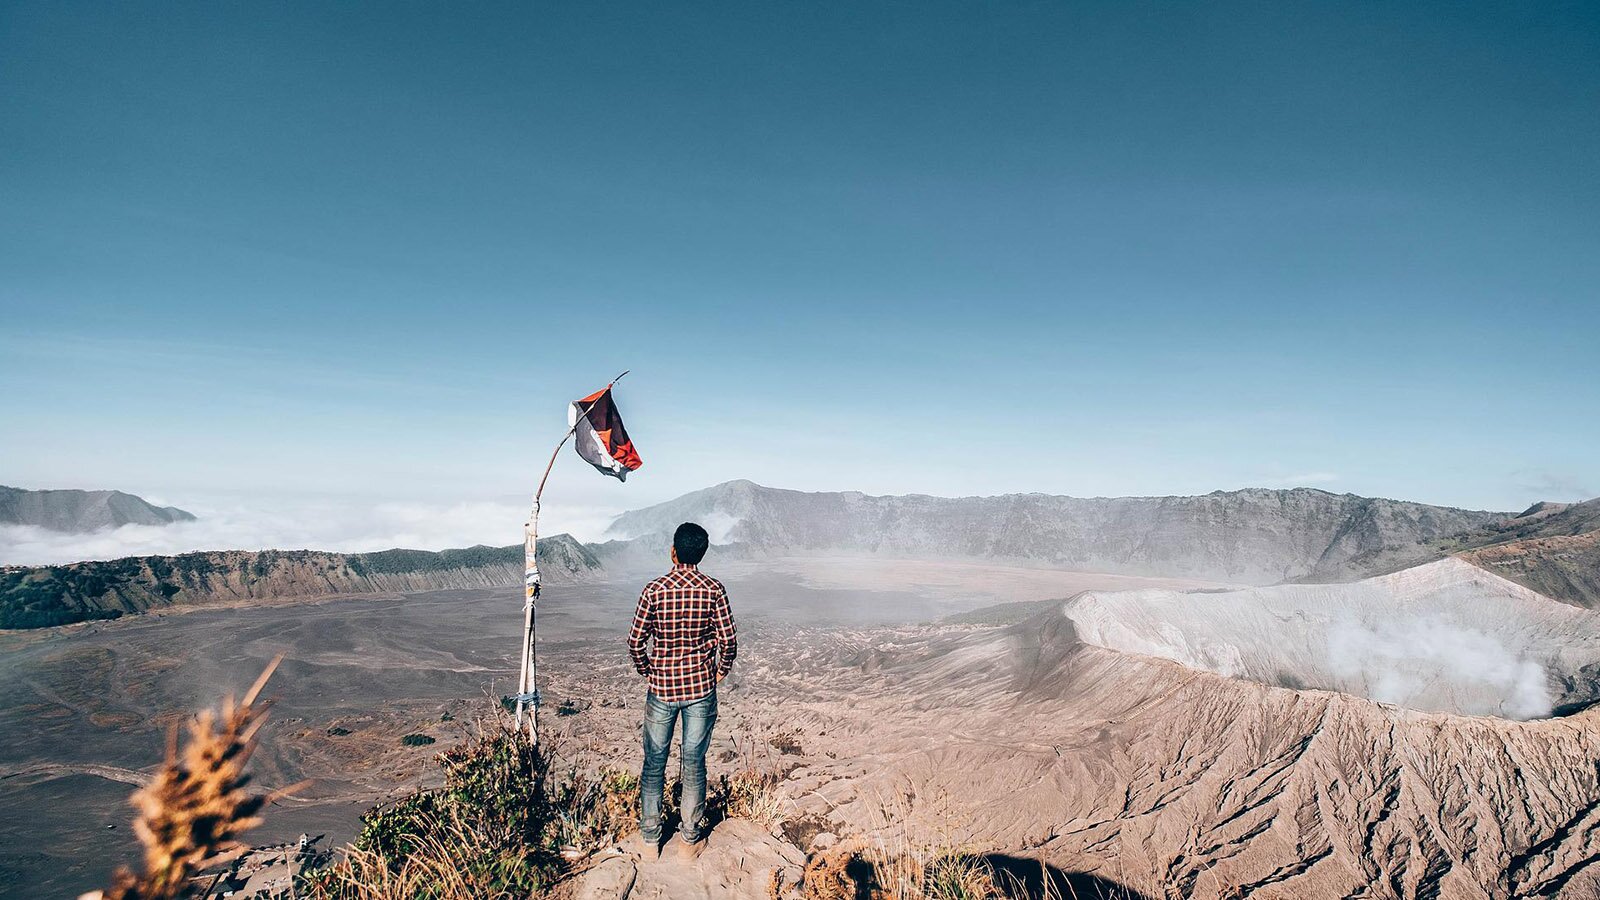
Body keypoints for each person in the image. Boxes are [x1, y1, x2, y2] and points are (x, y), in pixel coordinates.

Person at [626, 521, 737, 860]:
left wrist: (650, 671)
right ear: (701, 553)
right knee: (693, 762)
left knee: (654, 763)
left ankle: (650, 840)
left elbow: (635, 642)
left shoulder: (653, 590)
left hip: (661, 688)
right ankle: (690, 840)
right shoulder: (713, 589)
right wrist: (718, 672)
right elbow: (729, 641)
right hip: (700, 688)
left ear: (673, 552)